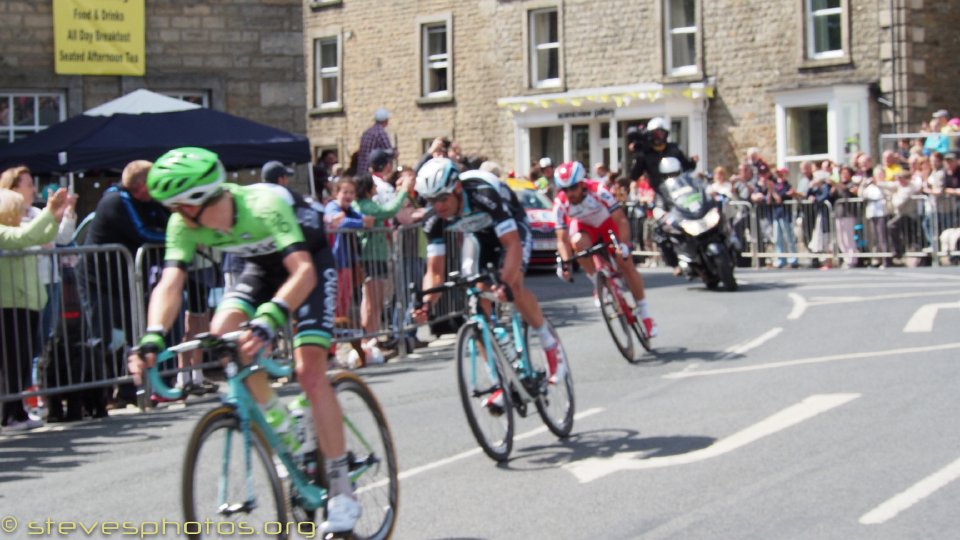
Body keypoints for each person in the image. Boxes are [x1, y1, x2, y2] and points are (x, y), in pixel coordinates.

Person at [126, 147, 360, 534]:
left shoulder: (264, 203)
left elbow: (301, 273)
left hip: (308, 261)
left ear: (197, 200)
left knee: (309, 371)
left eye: (177, 206)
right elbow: (171, 282)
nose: (173, 214)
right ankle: (280, 419)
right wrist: (152, 337)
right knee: (224, 333)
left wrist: (270, 319)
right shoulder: (183, 223)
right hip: (259, 266)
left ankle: (341, 489)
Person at [412, 157, 567, 403]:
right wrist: (427, 303)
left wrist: (504, 281)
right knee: (477, 305)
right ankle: (498, 382)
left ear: (457, 189)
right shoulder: (433, 219)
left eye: (443, 198)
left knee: (514, 286)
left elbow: (512, 243)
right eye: (432, 200)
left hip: (512, 228)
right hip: (479, 237)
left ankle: (549, 345)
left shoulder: (483, 195)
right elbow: (435, 271)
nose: (438, 206)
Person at [81, 160, 170, 409]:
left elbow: (166, 220)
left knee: (134, 336)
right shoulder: (116, 200)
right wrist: (175, 238)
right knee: (105, 340)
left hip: (124, 281)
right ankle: (100, 397)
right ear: (140, 185)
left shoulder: (146, 200)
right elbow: (142, 232)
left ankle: (130, 390)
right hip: (98, 280)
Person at [552, 161, 658, 337]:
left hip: (608, 225)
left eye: (573, 188)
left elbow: (621, 220)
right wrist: (564, 264)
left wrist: (623, 245)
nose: (570, 193)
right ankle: (598, 282)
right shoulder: (560, 203)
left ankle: (645, 315)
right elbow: (562, 239)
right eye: (565, 189)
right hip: (586, 228)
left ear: (582, 184)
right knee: (577, 243)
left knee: (625, 263)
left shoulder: (598, 190)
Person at [0, 187, 72, 430]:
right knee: (12, 361)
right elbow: (27, 237)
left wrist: (55, 217)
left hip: (27, 302)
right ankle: (10, 415)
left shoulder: (18, 229)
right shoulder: (3, 232)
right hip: (9, 304)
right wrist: (49, 212)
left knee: (22, 360)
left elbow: (42, 237)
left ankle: (16, 410)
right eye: (18, 208)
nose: (23, 212)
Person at [628, 117, 697, 275]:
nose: (658, 137)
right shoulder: (645, 153)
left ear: (666, 134)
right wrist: (637, 157)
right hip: (661, 194)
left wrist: (692, 162)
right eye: (655, 134)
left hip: (681, 190)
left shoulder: (674, 149)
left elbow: (686, 166)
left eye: (661, 133)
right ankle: (675, 263)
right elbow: (634, 174)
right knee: (661, 228)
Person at [356, 107, 395, 176]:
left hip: (361, 172)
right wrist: (395, 153)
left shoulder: (367, 132)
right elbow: (389, 152)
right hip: (373, 173)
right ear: (386, 120)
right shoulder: (380, 132)